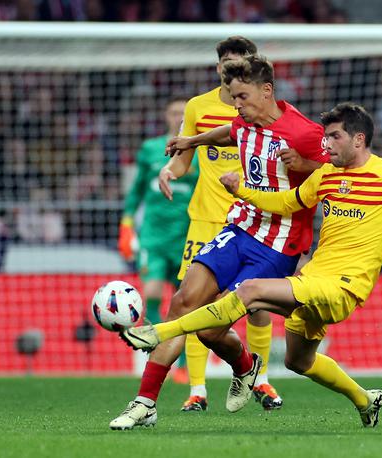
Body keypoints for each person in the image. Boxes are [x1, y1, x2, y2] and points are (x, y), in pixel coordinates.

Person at [121, 102, 382, 428]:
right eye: (325, 138)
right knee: (298, 361)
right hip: (314, 279)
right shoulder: (325, 176)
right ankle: (365, 400)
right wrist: (242, 191)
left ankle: (161, 332)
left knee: (250, 291)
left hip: (344, 286)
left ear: (359, 139)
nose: (327, 146)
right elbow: (286, 203)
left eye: (335, 137)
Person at [109, 53, 328, 430]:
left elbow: (342, 175)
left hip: (277, 245)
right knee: (183, 304)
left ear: (266, 91)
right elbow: (227, 133)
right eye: (232, 96)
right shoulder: (243, 122)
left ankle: (243, 365)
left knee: (211, 326)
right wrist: (189, 140)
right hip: (239, 228)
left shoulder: (305, 133)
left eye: (242, 97)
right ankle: (146, 403)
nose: (236, 104)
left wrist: (306, 167)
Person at [157, 36, 285, 413]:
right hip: (207, 220)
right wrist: (170, 170)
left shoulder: (265, 109)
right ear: (219, 68)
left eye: (240, 61)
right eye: (226, 62)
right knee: (195, 304)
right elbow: (184, 155)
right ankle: (197, 389)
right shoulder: (198, 107)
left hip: (252, 220)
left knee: (258, 305)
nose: (232, 69)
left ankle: (259, 379)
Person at [118, 96, 195, 329]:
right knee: (152, 290)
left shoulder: (199, 152)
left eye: (183, 113)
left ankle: (181, 360)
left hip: (185, 234)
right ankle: (156, 344)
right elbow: (136, 190)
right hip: (154, 235)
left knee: (184, 297)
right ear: (166, 116)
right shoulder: (150, 149)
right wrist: (127, 224)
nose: (179, 117)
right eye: (174, 113)